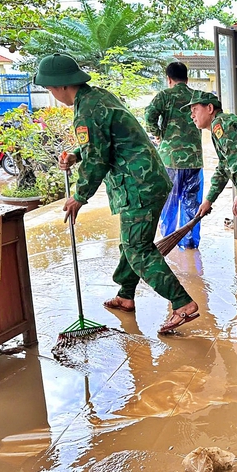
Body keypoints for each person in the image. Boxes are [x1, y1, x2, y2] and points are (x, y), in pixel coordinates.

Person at [34, 53, 200, 334]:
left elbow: (97, 160)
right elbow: (103, 143)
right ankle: (125, 295)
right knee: (131, 242)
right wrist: (76, 154)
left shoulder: (87, 110)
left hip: (138, 185)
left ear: (62, 85)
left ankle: (182, 303)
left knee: (137, 248)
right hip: (146, 180)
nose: (52, 94)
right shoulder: (97, 97)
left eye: (50, 88)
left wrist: (79, 196)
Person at [185, 90, 237, 302]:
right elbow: (224, 167)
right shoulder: (219, 127)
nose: (192, 115)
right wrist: (209, 200)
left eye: (195, 109)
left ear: (210, 108)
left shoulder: (220, 124)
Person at [145, 62, 204, 250]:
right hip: (194, 160)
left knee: (169, 204)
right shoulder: (197, 97)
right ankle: (190, 244)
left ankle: (167, 244)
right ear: (187, 78)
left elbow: (148, 116)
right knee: (192, 205)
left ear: (168, 79)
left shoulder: (164, 96)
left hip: (170, 160)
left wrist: (158, 134)